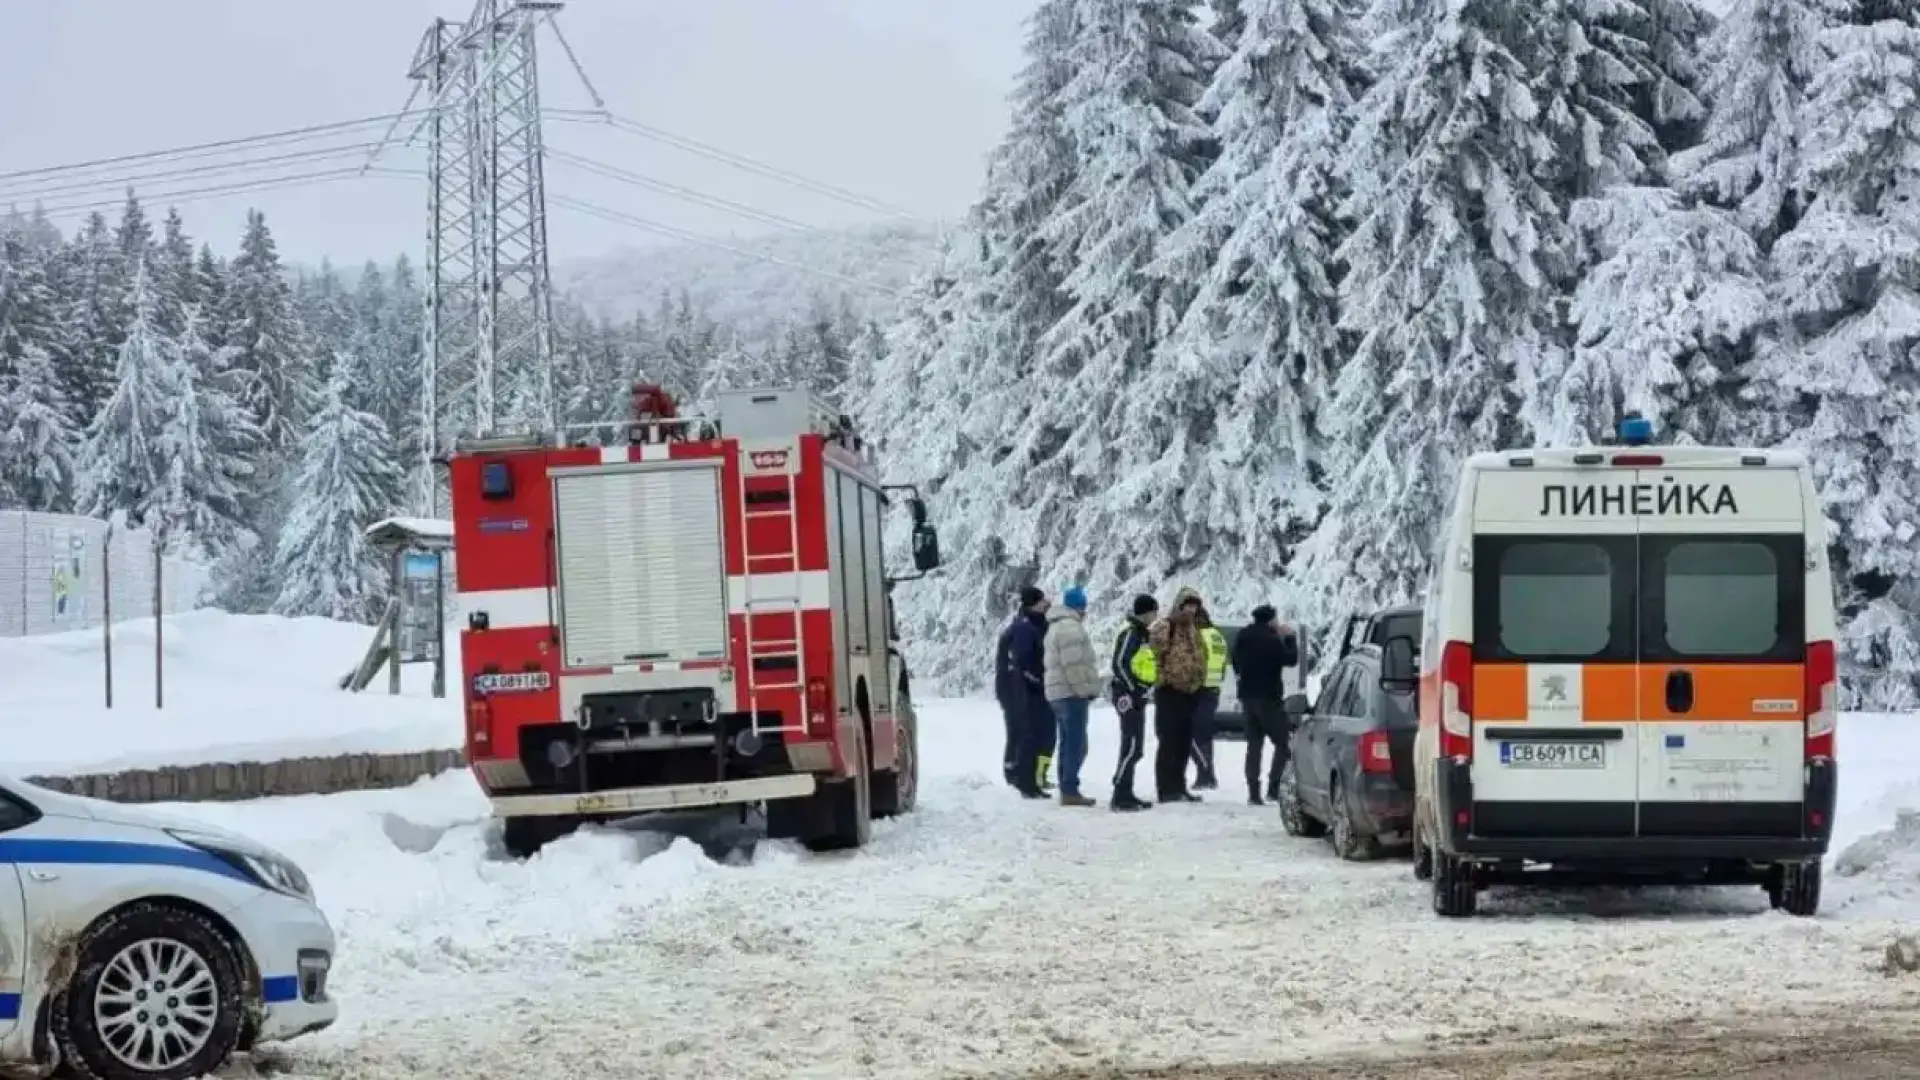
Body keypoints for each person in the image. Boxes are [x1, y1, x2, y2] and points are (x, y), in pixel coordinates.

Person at [1232, 604, 1299, 805]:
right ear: (1271, 620)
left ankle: (1253, 792)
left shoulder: (1242, 636)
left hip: (1247, 697)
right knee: (1283, 743)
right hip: (1269, 699)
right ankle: (1274, 786)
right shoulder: (1272, 639)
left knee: (1254, 745)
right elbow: (1291, 659)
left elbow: (1235, 661)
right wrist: (1290, 638)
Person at [1148, 587, 1209, 803]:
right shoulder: (1166, 626)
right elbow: (1152, 655)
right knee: (1168, 741)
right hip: (1169, 691)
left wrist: (1199, 682)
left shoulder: (1195, 629)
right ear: (1180, 606)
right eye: (1188, 605)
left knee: (1184, 742)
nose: (1191, 610)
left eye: (1194, 606)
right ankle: (1165, 788)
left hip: (1190, 692)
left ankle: (1179, 785)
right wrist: (1162, 678)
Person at [1043, 586, 1102, 807]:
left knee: (1067, 741)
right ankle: (1069, 788)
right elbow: (1073, 664)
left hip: (1057, 692)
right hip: (1070, 693)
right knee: (1076, 744)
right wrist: (1083, 690)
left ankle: (1067, 786)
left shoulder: (1056, 626)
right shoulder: (1070, 628)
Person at [1107, 593, 1159, 812]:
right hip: (1127, 696)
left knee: (1135, 747)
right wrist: (1133, 689)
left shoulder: (1142, 634)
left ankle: (1126, 791)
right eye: (1154, 612)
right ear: (1146, 612)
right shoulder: (1131, 633)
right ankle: (1119, 793)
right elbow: (1119, 663)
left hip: (1138, 695)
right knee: (1131, 747)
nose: (1156, 616)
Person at [995, 587, 1050, 792]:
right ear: (1035, 603)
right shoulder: (1024, 629)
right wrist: (1038, 681)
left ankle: (1020, 775)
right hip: (1020, 690)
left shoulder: (1027, 625)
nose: (1046, 604)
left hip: (1019, 688)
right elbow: (1023, 662)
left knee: (1023, 733)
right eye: (1042, 600)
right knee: (1025, 733)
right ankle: (1022, 778)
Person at [1189, 603, 1230, 791]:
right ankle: (1208, 774)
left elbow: (1196, 664)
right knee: (1205, 737)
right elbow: (1221, 666)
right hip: (1213, 689)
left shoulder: (1199, 637)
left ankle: (1205, 773)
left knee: (1194, 736)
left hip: (1200, 690)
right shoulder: (1216, 636)